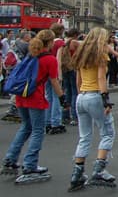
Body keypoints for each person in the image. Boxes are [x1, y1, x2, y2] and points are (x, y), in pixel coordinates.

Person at [1, 29, 67, 184]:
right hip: (35, 97)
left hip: (21, 96)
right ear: (50, 42)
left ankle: (10, 158)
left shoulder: (32, 55)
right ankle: (30, 164)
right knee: (38, 131)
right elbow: (54, 81)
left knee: (25, 127)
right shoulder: (49, 59)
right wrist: (62, 98)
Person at [68, 27, 117, 191]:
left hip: (81, 97)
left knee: (85, 136)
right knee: (107, 132)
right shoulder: (101, 55)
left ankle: (77, 172)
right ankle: (99, 170)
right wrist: (106, 100)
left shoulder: (81, 55)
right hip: (95, 96)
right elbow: (101, 77)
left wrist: (81, 93)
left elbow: (78, 80)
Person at [46, 23, 67, 134]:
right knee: (57, 97)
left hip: (46, 72)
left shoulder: (48, 42)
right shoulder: (60, 43)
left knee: (48, 97)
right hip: (54, 71)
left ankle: (47, 122)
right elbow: (58, 60)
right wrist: (60, 75)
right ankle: (56, 122)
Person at [60, 28, 80, 125]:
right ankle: (74, 116)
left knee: (67, 92)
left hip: (65, 69)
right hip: (72, 68)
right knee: (74, 92)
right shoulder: (75, 42)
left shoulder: (64, 41)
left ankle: (65, 115)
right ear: (75, 34)